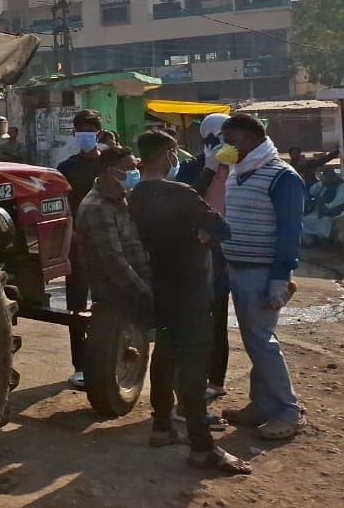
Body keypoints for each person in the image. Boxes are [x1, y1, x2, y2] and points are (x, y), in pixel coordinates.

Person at [129, 131, 252, 474]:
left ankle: (162, 427)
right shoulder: (180, 193)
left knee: (165, 355)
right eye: (174, 154)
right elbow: (223, 228)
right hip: (192, 290)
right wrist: (206, 231)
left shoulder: (136, 195)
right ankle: (202, 447)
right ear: (169, 155)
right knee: (194, 368)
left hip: (163, 286)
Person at [216, 113, 304, 439]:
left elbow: (290, 231)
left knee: (262, 342)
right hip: (238, 269)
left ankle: (288, 411)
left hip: (263, 272)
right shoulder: (239, 172)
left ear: (251, 141)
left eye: (232, 143)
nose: (226, 149)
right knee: (255, 340)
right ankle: (262, 404)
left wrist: (280, 278)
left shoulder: (283, 177)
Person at [56, 109, 121, 388]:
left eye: (90, 131)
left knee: (110, 302)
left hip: (109, 241)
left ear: (98, 132)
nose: (84, 135)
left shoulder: (109, 163)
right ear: (74, 134)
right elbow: (62, 207)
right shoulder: (67, 167)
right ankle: (80, 365)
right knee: (76, 305)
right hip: (79, 244)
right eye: (80, 131)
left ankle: (110, 361)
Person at [174, 113, 234, 401]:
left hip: (238, 248)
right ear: (209, 138)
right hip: (205, 251)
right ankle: (203, 379)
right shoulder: (190, 169)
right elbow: (184, 201)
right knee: (206, 317)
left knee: (224, 319)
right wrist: (208, 169)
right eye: (221, 137)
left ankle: (217, 378)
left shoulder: (241, 167)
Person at [73, 146, 153, 320]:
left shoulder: (122, 198)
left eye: (136, 167)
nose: (135, 172)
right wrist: (147, 294)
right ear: (111, 171)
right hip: (119, 295)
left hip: (136, 286)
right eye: (129, 168)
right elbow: (114, 262)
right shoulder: (98, 208)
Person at [302, 167, 344, 245]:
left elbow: (339, 201)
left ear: (334, 177)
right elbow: (312, 191)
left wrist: (325, 207)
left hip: (336, 212)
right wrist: (321, 183)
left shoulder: (341, 185)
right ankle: (310, 241)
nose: (328, 180)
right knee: (305, 220)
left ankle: (325, 241)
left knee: (325, 221)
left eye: (329, 177)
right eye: (326, 177)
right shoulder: (324, 185)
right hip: (321, 211)